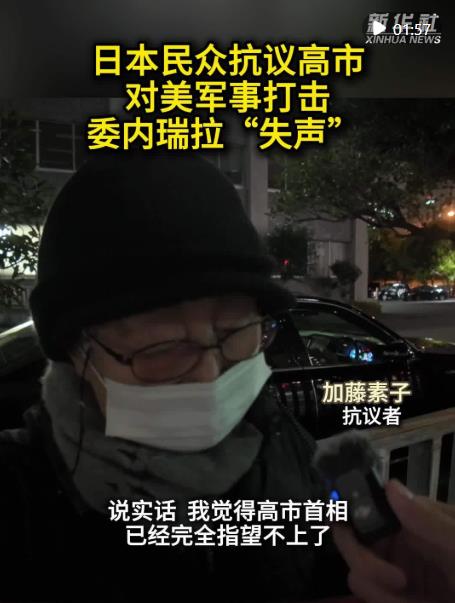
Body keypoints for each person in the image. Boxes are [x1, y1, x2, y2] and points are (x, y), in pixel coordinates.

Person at [0, 152, 348, 603]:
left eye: (235, 332)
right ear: (78, 353)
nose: (209, 376)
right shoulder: (19, 495)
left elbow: (330, 570)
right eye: (163, 348)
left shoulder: (281, 441)